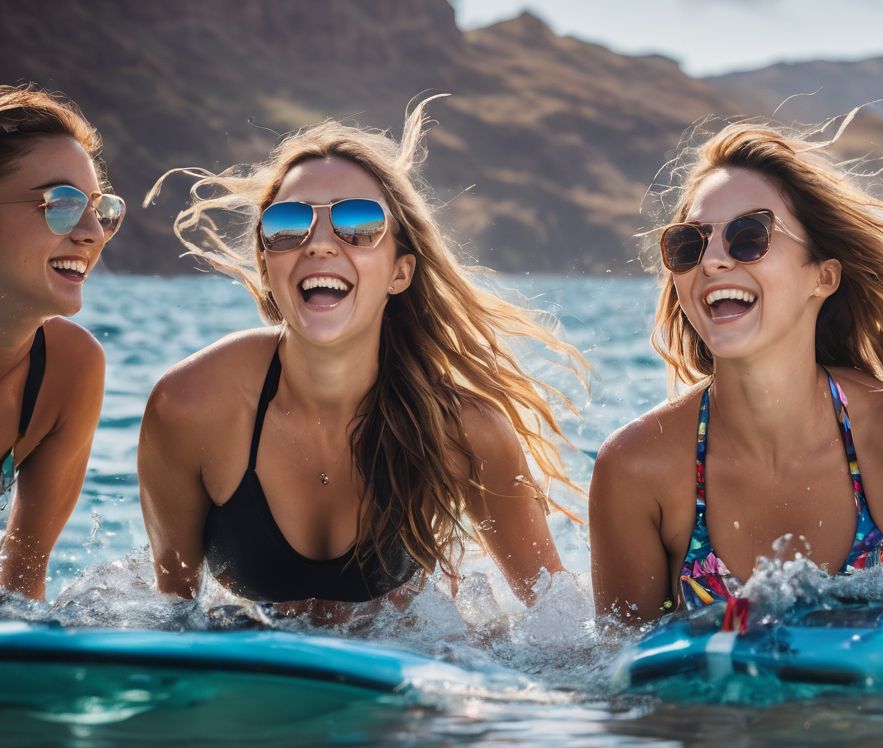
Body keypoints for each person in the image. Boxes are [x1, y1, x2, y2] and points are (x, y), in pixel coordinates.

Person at [139, 98, 583, 609]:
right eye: (288, 223)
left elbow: (560, 625)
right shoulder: (190, 407)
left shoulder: (464, 431)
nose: (320, 244)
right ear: (266, 265)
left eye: (359, 222)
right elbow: (172, 614)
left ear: (400, 272)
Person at [589, 118, 883, 624]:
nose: (712, 262)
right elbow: (618, 672)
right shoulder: (637, 468)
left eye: (749, 237)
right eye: (690, 244)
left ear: (823, 276)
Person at [0, 85, 122, 600]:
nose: (92, 231)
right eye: (63, 204)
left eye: (100, 208)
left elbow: (21, 591)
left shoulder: (68, 370)